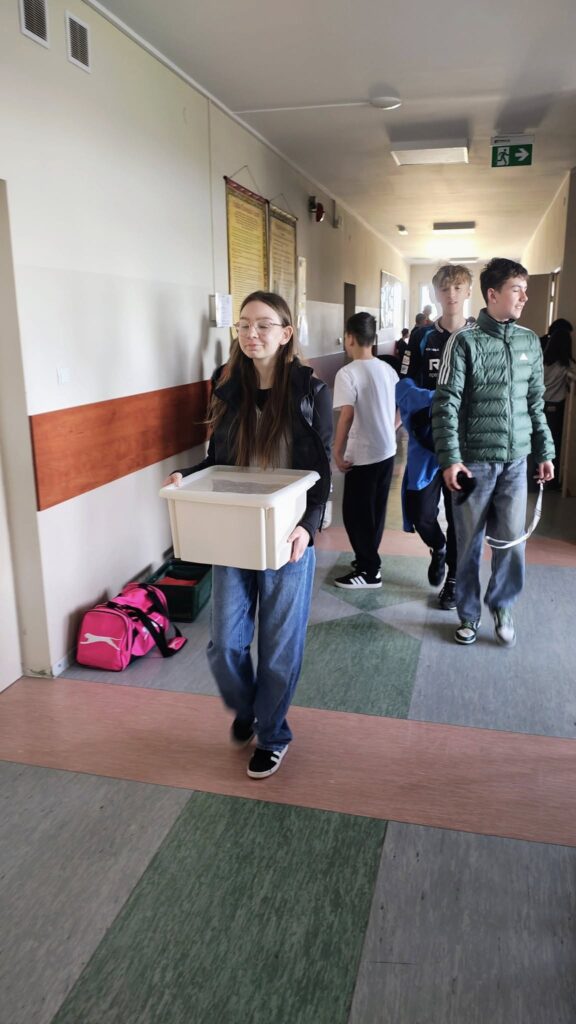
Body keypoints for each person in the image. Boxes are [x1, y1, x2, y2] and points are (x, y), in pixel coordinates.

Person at [164, 291, 332, 778]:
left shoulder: (310, 390)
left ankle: (273, 734)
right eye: (243, 325)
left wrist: (308, 527)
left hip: (286, 533)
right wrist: (187, 476)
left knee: (279, 650)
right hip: (235, 528)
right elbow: (217, 459)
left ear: (286, 333)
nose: (251, 333)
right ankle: (248, 708)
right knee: (223, 645)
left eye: (263, 325)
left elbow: (321, 469)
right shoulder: (227, 384)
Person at [432, 258, 555, 648]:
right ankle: (468, 615)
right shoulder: (464, 342)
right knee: (468, 544)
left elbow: (535, 404)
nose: (524, 297)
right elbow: (445, 404)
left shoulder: (528, 342)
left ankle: (502, 606)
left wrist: (545, 452)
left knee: (511, 542)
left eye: (524, 289)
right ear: (492, 294)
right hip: (473, 463)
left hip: (516, 462)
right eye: (516, 289)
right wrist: (451, 458)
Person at [396, 264, 472, 610]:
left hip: (465, 444)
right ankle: (437, 547)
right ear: (436, 293)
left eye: (457, 288)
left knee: (459, 517)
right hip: (426, 442)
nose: (451, 294)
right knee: (420, 512)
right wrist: (437, 398)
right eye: (445, 288)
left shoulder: (478, 336)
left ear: (467, 292)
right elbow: (404, 384)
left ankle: (453, 579)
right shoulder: (422, 336)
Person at [332, 312, 398, 589]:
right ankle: (365, 559)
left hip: (364, 454)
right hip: (387, 450)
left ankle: (370, 571)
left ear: (350, 338)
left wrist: (337, 451)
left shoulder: (348, 373)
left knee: (355, 514)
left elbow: (346, 416)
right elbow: (399, 407)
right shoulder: (387, 369)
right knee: (375, 512)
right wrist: (389, 429)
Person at [543, 327, 574, 486]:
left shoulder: (543, 361)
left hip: (540, 406)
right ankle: (551, 481)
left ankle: (535, 478)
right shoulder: (565, 365)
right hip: (555, 408)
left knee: (540, 442)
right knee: (554, 444)